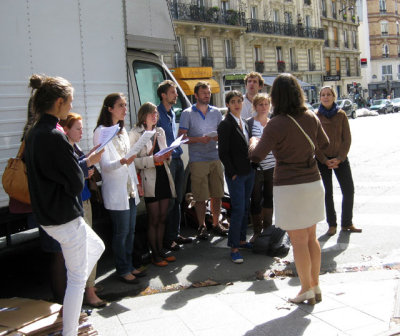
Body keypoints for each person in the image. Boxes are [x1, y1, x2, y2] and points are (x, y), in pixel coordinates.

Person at [25, 75, 105, 336]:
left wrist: (78, 168)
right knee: (76, 280)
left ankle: (71, 319)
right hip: (64, 217)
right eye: (69, 102)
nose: (71, 106)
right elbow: (74, 182)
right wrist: (85, 166)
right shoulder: (53, 136)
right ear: (59, 102)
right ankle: (69, 331)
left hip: (52, 215)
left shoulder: (35, 132)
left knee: (97, 247)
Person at [249, 73, 329, 305]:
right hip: (313, 181)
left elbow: (256, 156)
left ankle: (305, 289)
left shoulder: (276, 123)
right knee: (312, 238)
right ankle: (315, 286)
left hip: (289, 185)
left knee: (298, 241)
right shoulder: (310, 116)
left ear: (276, 96)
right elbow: (323, 144)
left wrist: (254, 141)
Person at [93, 93, 145, 284]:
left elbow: (130, 161)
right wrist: (123, 161)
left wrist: (137, 185)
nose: (125, 109)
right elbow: (104, 165)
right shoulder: (101, 132)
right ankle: (122, 269)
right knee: (121, 232)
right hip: (116, 190)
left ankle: (130, 265)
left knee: (130, 231)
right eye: (121, 105)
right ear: (110, 109)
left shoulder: (122, 130)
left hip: (129, 188)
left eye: (125, 105)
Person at [60, 112, 107, 308]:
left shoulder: (73, 146)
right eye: (77, 129)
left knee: (90, 247)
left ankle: (90, 287)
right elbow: (70, 170)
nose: (81, 132)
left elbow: (79, 167)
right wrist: (88, 162)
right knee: (89, 248)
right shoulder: (64, 147)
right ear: (66, 130)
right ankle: (88, 291)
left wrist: (89, 158)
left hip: (84, 199)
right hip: (78, 202)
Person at [129, 102, 177, 266]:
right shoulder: (135, 133)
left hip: (163, 175)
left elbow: (164, 152)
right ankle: (154, 253)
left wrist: (168, 154)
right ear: (144, 115)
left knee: (163, 217)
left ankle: (161, 250)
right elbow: (132, 161)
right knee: (153, 218)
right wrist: (152, 160)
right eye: (152, 114)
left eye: (156, 114)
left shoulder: (160, 131)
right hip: (149, 178)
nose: (155, 116)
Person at [178, 81, 226, 239]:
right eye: (204, 93)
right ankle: (201, 226)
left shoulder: (216, 112)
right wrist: (199, 139)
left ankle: (216, 223)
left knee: (217, 194)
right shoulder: (187, 113)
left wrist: (218, 137)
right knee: (200, 196)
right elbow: (181, 138)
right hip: (198, 159)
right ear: (196, 95)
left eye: (209, 92)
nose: (207, 95)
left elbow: (222, 132)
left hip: (215, 156)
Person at [316, 86, 362, 236]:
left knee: (349, 190)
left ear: (334, 97)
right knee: (327, 193)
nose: (326, 97)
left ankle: (347, 222)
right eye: (323, 95)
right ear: (320, 98)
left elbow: (347, 139)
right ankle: (332, 224)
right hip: (323, 161)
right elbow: (314, 142)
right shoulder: (316, 116)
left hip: (340, 158)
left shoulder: (341, 115)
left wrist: (340, 158)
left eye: (329, 94)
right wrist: (324, 159)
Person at [218, 91, 255, 263]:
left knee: (245, 207)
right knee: (238, 209)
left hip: (248, 171)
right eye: (233, 101)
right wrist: (232, 173)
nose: (237, 104)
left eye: (239, 101)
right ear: (228, 104)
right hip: (236, 175)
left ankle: (241, 240)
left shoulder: (245, 122)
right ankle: (234, 247)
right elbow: (223, 153)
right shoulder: (225, 124)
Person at [156, 80, 192, 251]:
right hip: (168, 161)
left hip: (177, 157)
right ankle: (167, 239)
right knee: (170, 201)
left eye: (176, 92)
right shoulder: (157, 113)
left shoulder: (171, 113)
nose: (176, 95)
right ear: (163, 95)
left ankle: (175, 234)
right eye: (172, 92)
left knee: (178, 199)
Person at [247, 93, 276, 243]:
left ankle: (268, 229)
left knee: (269, 197)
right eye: (260, 104)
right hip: (256, 167)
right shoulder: (250, 123)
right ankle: (257, 231)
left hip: (272, 166)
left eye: (266, 104)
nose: (264, 107)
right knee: (256, 198)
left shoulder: (273, 123)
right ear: (255, 106)